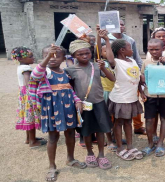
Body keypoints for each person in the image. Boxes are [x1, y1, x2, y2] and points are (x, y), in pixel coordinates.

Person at [31, 45, 86, 181]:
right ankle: (52, 166)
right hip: (51, 110)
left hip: (68, 109)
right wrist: (49, 55)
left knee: (70, 134)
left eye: (56, 56)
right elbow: (35, 74)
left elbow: (70, 90)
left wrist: (77, 101)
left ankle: (71, 159)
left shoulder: (65, 73)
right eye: (48, 56)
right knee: (53, 137)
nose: (52, 59)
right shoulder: (45, 72)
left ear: (63, 58)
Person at [65, 40, 114, 170]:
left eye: (87, 53)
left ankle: (102, 155)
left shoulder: (97, 66)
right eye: (80, 54)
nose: (85, 56)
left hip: (98, 103)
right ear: (74, 55)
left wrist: (104, 67)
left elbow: (112, 78)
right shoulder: (70, 70)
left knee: (101, 129)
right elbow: (68, 88)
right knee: (86, 131)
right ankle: (90, 153)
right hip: (83, 106)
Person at [102, 37, 144, 161]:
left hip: (132, 97)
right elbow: (109, 58)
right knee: (118, 122)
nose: (132, 50)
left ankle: (130, 146)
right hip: (120, 98)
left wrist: (141, 92)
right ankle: (120, 147)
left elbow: (136, 78)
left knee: (128, 122)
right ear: (122, 50)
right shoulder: (116, 62)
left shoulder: (132, 61)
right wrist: (107, 41)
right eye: (129, 48)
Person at [105, 20, 145, 135]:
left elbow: (137, 61)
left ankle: (137, 128)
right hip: (116, 81)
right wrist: (105, 39)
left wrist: (141, 76)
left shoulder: (130, 41)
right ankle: (113, 135)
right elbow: (110, 59)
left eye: (123, 24)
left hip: (131, 86)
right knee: (118, 116)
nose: (121, 26)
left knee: (129, 114)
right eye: (118, 24)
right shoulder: (105, 39)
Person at [11, 46, 47, 148]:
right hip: (29, 96)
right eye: (30, 56)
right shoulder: (26, 68)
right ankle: (33, 141)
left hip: (23, 96)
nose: (33, 58)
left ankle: (28, 138)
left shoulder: (20, 67)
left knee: (27, 117)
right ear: (20, 59)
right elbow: (28, 83)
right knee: (31, 117)